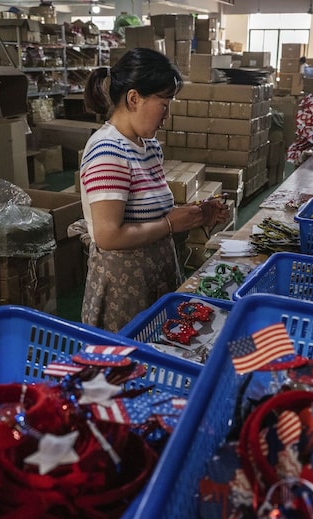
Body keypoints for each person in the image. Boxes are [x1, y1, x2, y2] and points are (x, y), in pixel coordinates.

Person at [80, 48, 230, 332]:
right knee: (129, 364)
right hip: (124, 291)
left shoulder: (148, 147)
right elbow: (108, 235)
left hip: (156, 275)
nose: (167, 114)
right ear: (134, 98)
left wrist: (196, 215)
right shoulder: (107, 152)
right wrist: (171, 223)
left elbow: (149, 214)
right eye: (164, 103)